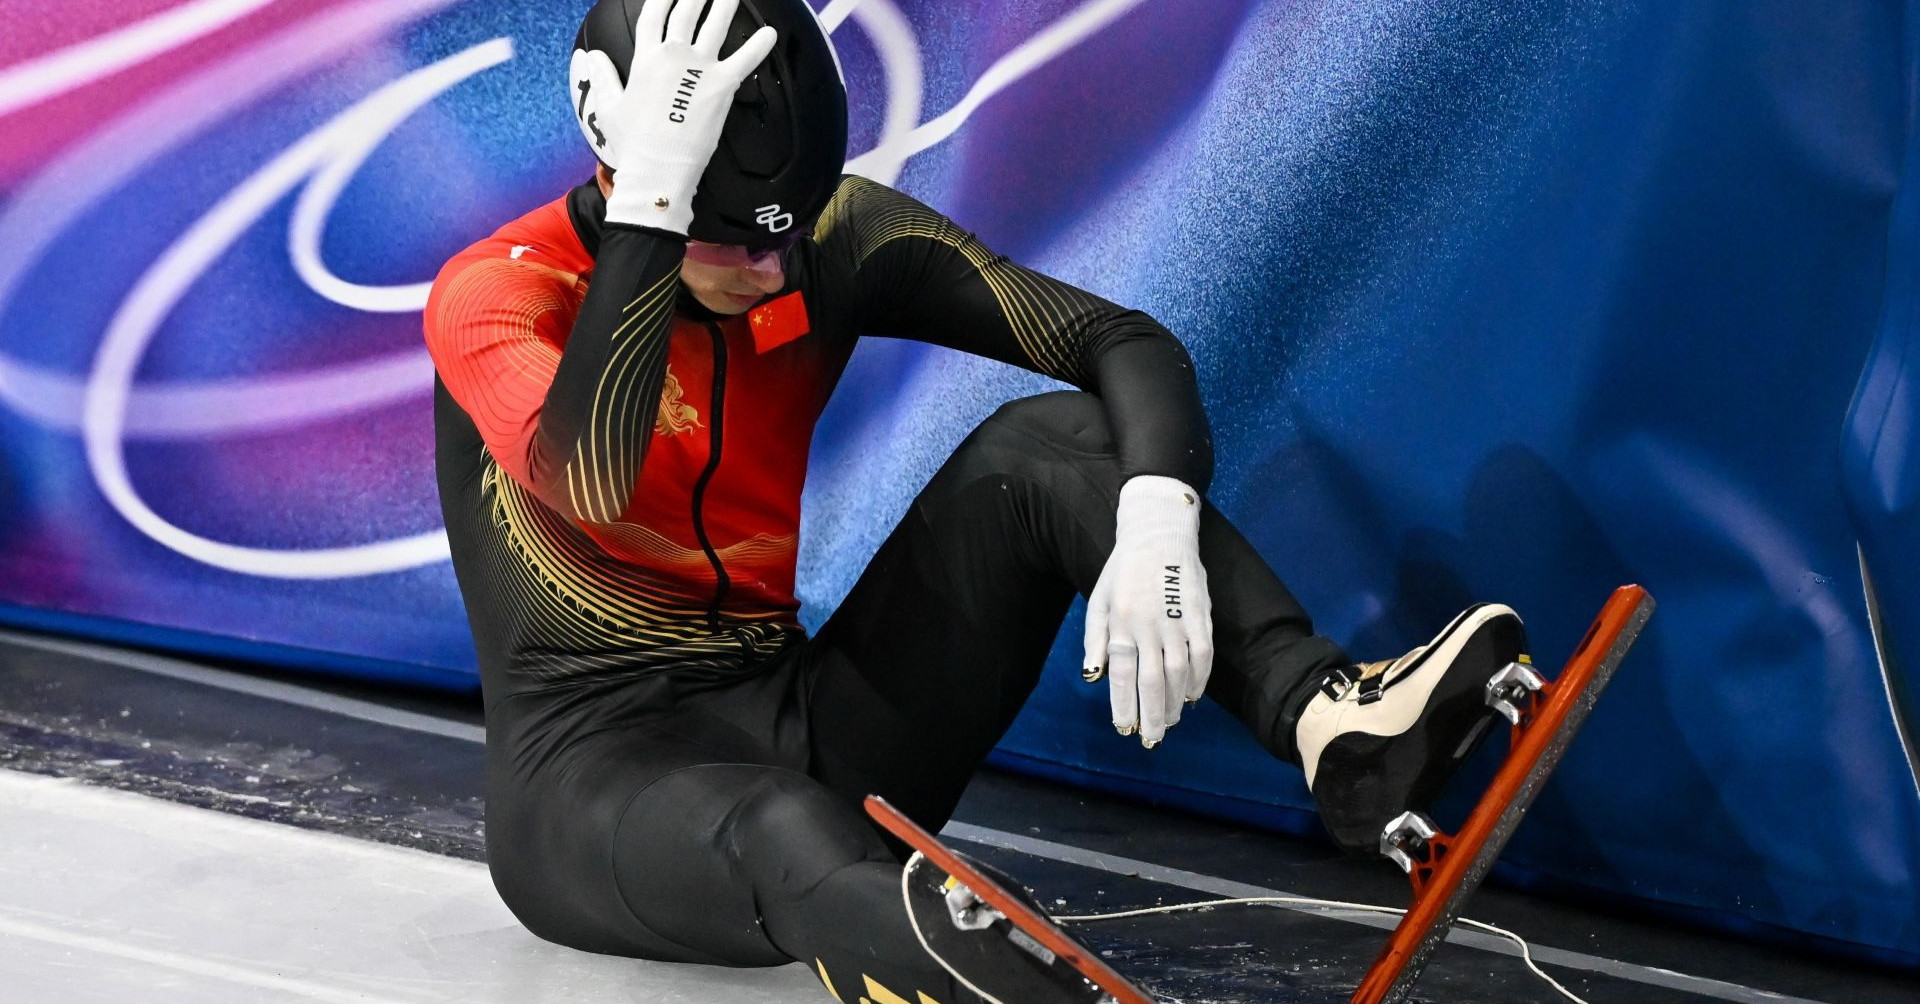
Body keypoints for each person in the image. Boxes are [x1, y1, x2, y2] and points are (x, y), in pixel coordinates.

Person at [422, 0, 1530, 1000]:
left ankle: (1334, 724)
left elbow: (1116, 340)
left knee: (1047, 443)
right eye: (730, 241)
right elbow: (592, 478)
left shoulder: (827, 238)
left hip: (801, 718)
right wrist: (655, 213)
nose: (769, 270)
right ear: (628, 177)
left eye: (787, 228)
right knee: (785, 827)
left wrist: (1155, 515)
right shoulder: (500, 293)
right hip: (590, 779)